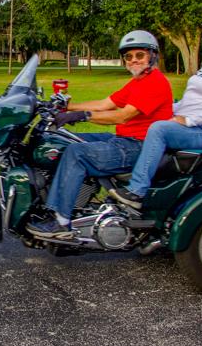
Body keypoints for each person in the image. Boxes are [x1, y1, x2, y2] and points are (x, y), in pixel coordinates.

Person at [27, 30, 174, 237]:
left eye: (139, 55)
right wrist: (66, 107)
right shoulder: (138, 82)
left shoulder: (155, 82)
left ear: (152, 56)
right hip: (123, 140)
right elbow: (105, 103)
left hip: (138, 147)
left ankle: (61, 221)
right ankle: (71, 201)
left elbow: (122, 116)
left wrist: (82, 116)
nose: (133, 60)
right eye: (129, 56)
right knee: (63, 140)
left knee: (76, 153)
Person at [110, 8, 202, 210]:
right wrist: (169, 107)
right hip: (189, 122)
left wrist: (188, 120)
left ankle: (137, 191)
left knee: (159, 129)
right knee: (147, 121)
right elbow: (194, 99)